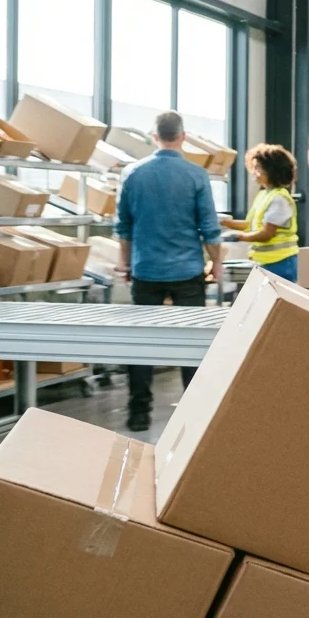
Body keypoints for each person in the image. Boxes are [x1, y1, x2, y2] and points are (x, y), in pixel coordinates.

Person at [114, 111, 222, 432]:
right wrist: (216, 262)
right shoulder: (196, 175)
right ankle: (194, 414)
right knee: (192, 343)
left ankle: (139, 413)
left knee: (141, 345)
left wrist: (125, 263)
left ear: (154, 136)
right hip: (187, 271)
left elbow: (124, 226)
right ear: (183, 136)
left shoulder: (132, 174)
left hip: (146, 271)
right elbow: (209, 228)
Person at [220, 143, 300, 282]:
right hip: (265, 261)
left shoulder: (279, 199)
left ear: (271, 171)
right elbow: (250, 225)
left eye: (258, 169)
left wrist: (239, 237)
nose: (254, 173)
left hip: (280, 262)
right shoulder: (263, 195)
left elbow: (266, 234)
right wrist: (223, 222)